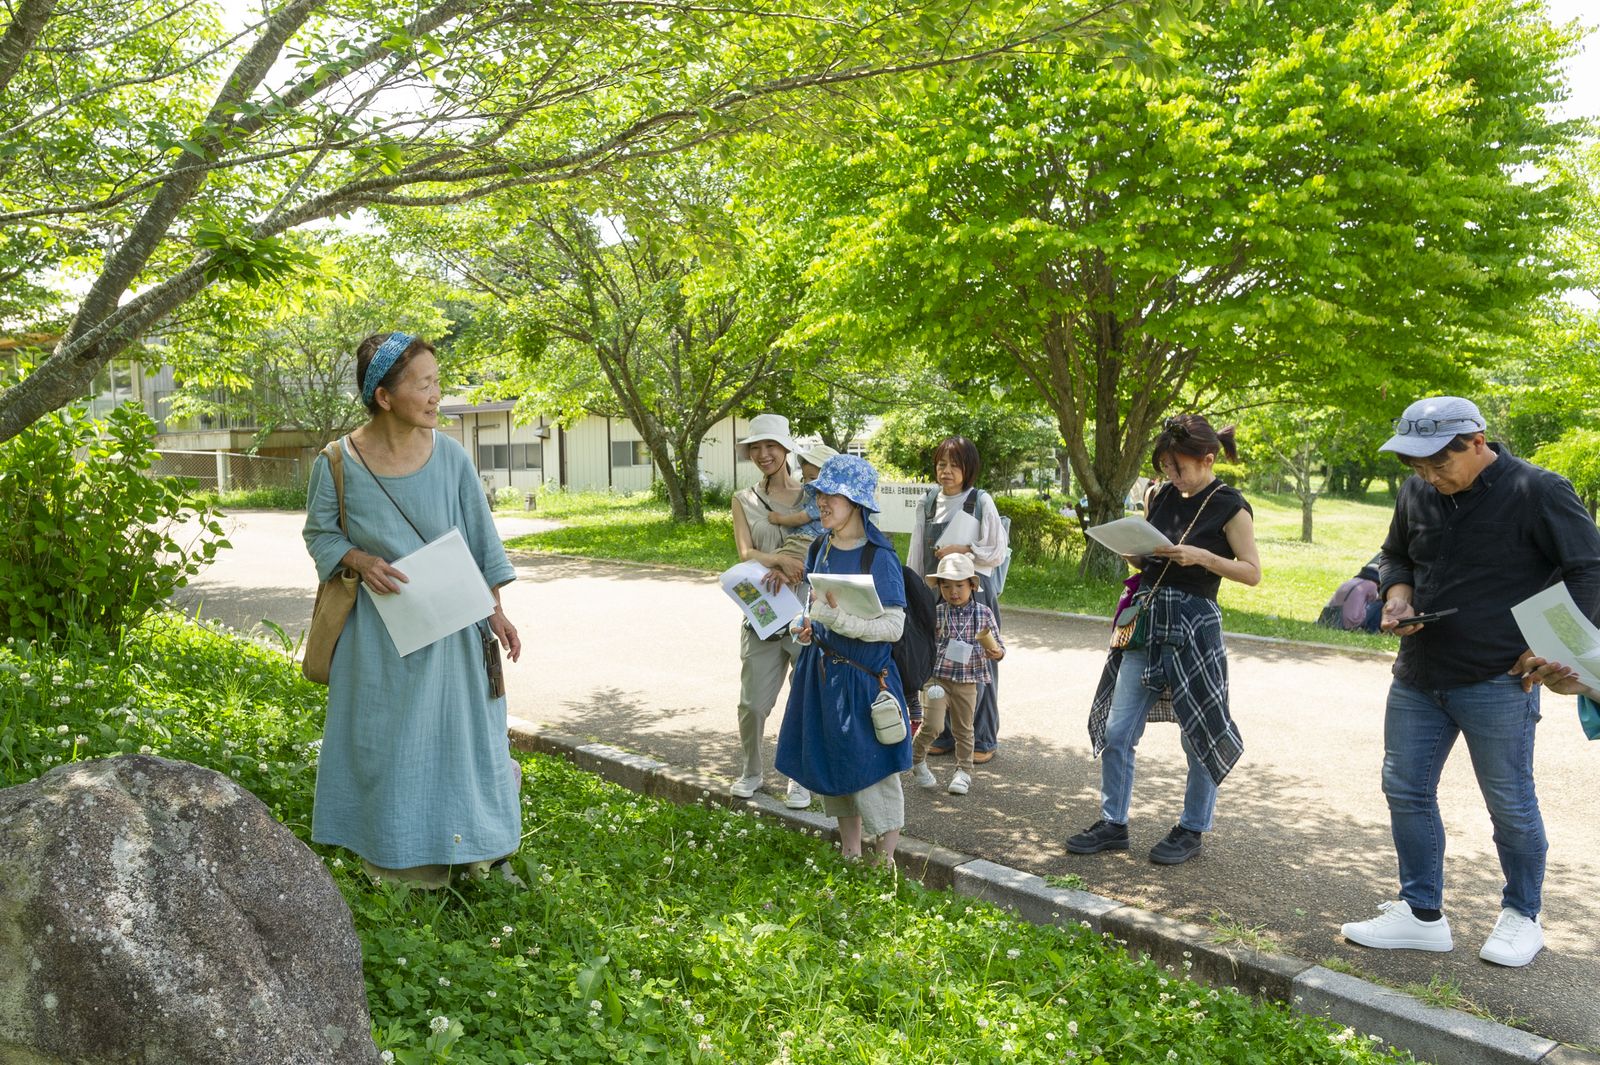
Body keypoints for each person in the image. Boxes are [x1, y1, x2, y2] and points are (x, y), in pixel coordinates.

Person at [1340, 396, 1600, 968]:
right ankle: (1421, 914)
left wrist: (1554, 647)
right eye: (1418, 468)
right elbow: (1395, 555)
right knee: (1405, 789)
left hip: (1500, 677)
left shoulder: (1539, 491)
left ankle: (1521, 916)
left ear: (1477, 442)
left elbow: (1588, 571)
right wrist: (1398, 596)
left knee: (1508, 801)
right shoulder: (1416, 492)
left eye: (1439, 465)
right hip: (1419, 673)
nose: (1429, 478)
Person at [302, 331, 523, 888]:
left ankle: (478, 855)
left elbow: (480, 537)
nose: (436, 396)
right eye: (424, 385)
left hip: (453, 631)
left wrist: (494, 611)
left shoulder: (450, 455)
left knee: (463, 741)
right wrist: (357, 557)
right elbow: (319, 534)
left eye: (437, 383)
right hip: (379, 634)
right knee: (390, 743)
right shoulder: (337, 462)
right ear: (384, 396)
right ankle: (397, 863)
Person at [1068, 413, 1260, 865]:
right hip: (1147, 621)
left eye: (1179, 468)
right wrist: (1134, 553)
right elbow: (1149, 561)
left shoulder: (1231, 506)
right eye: (1166, 467)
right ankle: (1113, 823)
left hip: (1194, 626)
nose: (1171, 476)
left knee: (1198, 734)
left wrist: (1204, 557)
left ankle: (1192, 829)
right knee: (1118, 731)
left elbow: (1252, 573)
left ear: (1207, 459)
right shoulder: (1162, 495)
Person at [776, 454, 914, 861]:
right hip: (822, 675)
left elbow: (893, 629)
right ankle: (850, 855)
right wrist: (806, 626)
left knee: (874, 772)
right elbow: (815, 606)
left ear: (856, 503)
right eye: (820, 493)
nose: (821, 502)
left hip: (866, 680)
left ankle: (885, 865)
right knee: (835, 765)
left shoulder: (879, 556)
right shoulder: (820, 545)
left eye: (832, 495)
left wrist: (836, 619)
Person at [729, 413, 815, 809]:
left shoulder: (815, 497)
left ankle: (799, 777)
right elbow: (745, 553)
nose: (763, 454)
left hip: (807, 615)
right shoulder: (743, 500)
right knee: (752, 703)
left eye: (771, 447)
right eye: (756, 448)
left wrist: (795, 566)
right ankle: (751, 770)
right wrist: (778, 562)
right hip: (763, 614)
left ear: (786, 450)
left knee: (805, 698)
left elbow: (827, 551)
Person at [907, 436, 1009, 763]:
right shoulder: (928, 501)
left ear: (969, 468)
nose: (947, 471)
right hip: (938, 593)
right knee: (941, 663)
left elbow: (995, 550)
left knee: (979, 663)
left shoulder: (981, 501)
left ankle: (983, 738)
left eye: (954, 464)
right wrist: (915, 590)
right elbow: (917, 553)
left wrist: (962, 550)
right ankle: (946, 733)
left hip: (975, 594)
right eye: (941, 464)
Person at [910, 553, 1005, 796]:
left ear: (972, 585)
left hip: (967, 681)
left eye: (959, 585)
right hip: (937, 679)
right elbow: (926, 645)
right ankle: (916, 759)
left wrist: (997, 652)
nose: (953, 591)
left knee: (964, 730)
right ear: (939, 587)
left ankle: (963, 771)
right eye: (946, 585)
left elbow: (999, 646)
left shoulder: (983, 613)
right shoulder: (937, 612)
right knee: (932, 725)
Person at [767, 439, 837, 540]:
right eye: (804, 477)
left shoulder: (822, 500)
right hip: (813, 539)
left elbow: (801, 518)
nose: (806, 482)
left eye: (812, 478)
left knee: (783, 554)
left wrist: (779, 519)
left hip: (808, 539)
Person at [1318, 555, 1383, 633]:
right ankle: (1372, 630)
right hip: (1352, 621)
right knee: (1380, 603)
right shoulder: (1371, 585)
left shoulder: (1351, 581)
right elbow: (1373, 601)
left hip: (1332, 618)